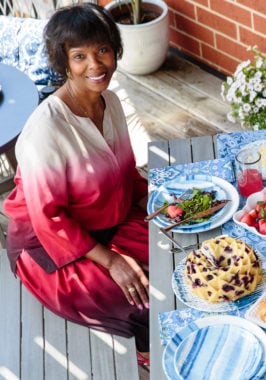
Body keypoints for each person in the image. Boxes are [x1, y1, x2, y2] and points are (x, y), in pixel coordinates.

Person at [3, 3, 150, 364]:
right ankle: (149, 353)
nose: (95, 65)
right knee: (140, 297)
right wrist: (111, 261)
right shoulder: (45, 131)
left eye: (102, 50)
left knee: (179, 254)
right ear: (63, 62)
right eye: (79, 55)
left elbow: (127, 172)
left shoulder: (110, 102)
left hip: (108, 218)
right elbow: (49, 220)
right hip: (52, 247)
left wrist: (159, 202)